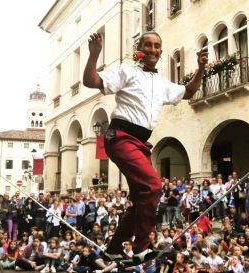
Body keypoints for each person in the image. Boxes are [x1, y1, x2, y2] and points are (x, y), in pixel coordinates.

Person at [83, 30, 208, 262]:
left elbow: (189, 92)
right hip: (120, 135)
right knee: (152, 187)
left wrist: (200, 69)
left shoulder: (161, 83)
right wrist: (94, 55)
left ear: (161, 51)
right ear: (138, 49)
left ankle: (112, 249)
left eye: (157, 46)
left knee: (142, 197)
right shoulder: (126, 71)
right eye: (148, 45)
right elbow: (91, 81)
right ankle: (141, 247)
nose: (153, 49)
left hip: (140, 142)